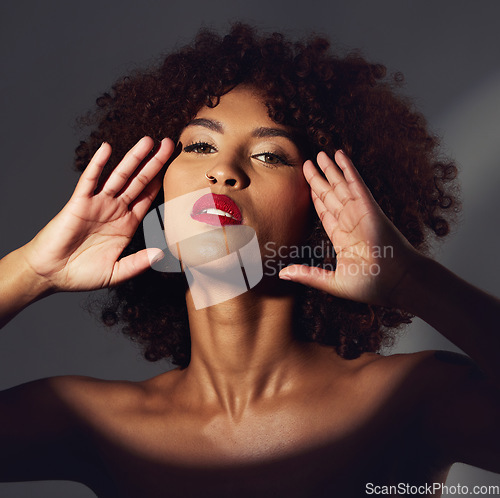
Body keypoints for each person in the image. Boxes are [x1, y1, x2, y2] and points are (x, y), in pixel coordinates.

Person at [1, 23, 499, 498]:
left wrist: (412, 278)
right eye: (199, 145)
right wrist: (33, 270)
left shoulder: (412, 400)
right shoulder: (92, 422)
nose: (224, 170)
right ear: (155, 194)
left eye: (269, 155)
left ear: (321, 208)